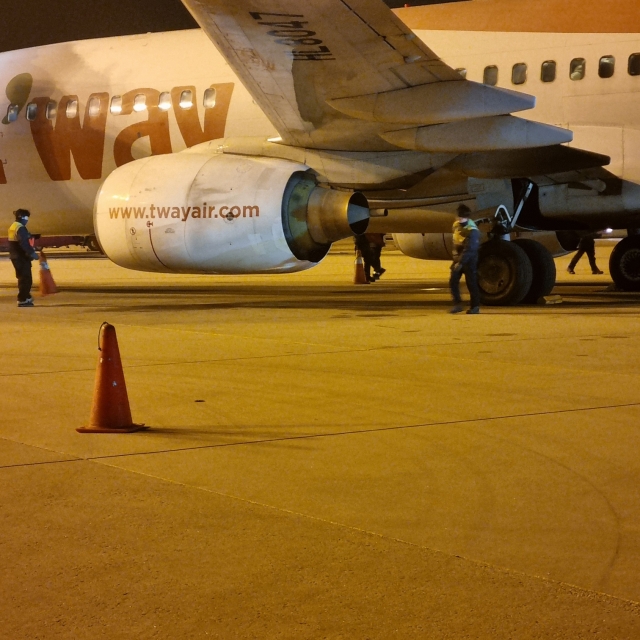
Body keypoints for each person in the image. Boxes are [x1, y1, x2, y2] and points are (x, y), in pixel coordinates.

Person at [449, 204, 481, 314]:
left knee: (471, 283)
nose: (458, 219)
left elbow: (470, 249)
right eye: (458, 217)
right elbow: (455, 241)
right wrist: (455, 258)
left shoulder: (472, 230)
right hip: (459, 258)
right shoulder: (457, 225)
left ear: (467, 218)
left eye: (461, 217)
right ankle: (457, 304)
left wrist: (461, 263)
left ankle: (475, 307)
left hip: (469, 260)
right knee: (453, 281)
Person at [8, 208, 39, 307]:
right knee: (26, 279)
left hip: (15, 257)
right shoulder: (20, 227)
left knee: (22, 277)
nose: (27, 220)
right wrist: (32, 253)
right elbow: (24, 243)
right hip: (21, 257)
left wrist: (30, 236)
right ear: (22, 217)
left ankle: (26, 296)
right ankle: (23, 299)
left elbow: (18, 239)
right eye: (26, 218)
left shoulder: (14, 226)